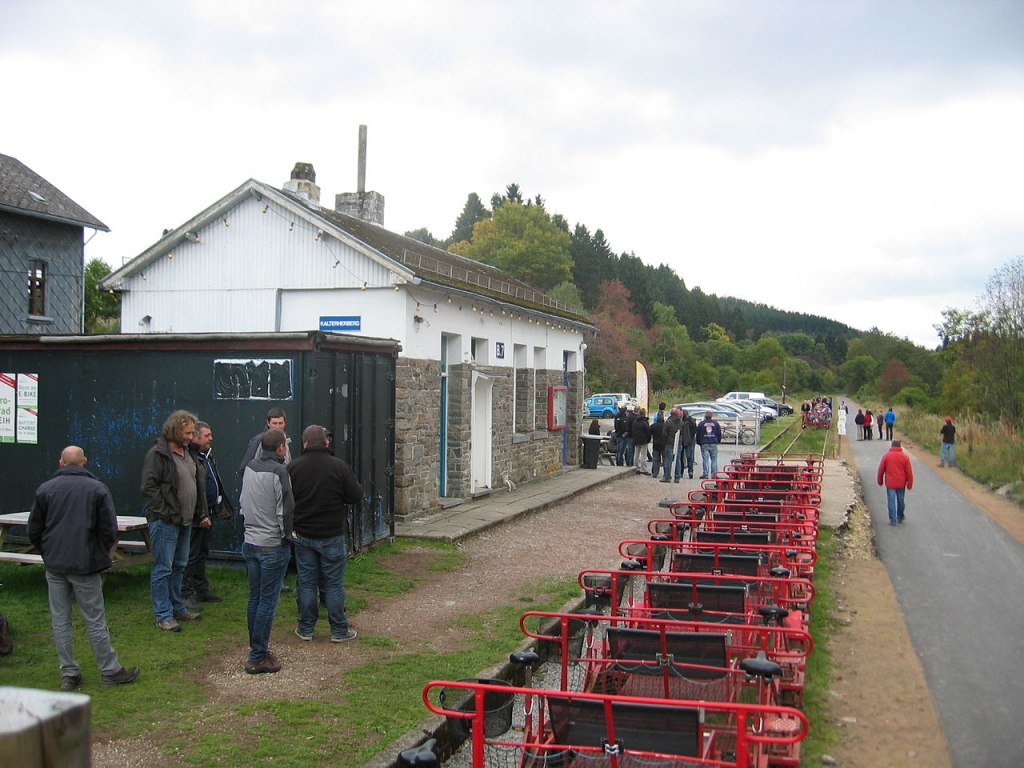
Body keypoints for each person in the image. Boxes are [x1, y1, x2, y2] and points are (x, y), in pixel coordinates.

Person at [28, 446, 140, 690]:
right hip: (85, 563)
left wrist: (48, 551)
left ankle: (69, 673)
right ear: (84, 462)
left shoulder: (45, 489)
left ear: (60, 463)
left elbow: (34, 529)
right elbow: (109, 529)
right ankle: (109, 670)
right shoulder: (97, 489)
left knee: (60, 619)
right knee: (94, 618)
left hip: (55, 563)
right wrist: (98, 553)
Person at [287, 425, 364, 643]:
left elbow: (285, 499)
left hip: (302, 533)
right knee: (333, 583)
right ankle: (339, 630)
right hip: (331, 533)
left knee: (307, 581)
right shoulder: (339, 467)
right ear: (326, 442)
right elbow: (355, 495)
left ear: (305, 443)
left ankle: (305, 628)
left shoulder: (293, 467)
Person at [143, 410, 209, 632]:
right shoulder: (158, 454)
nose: (191, 436)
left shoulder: (190, 453)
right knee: (163, 568)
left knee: (179, 566)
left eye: (193, 432)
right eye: (188, 432)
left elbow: (196, 483)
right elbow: (149, 487)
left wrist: (201, 512)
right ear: (175, 430)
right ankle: (163, 615)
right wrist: (166, 513)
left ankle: (177, 607)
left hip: (186, 521)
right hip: (166, 522)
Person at [240, 428, 294, 674]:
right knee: (267, 602)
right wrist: (286, 537)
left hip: (250, 541)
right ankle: (257, 654)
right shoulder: (279, 471)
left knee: (255, 597)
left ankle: (257, 648)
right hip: (271, 544)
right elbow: (286, 507)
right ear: (281, 447)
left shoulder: (250, 467)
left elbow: (244, 501)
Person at [183, 421, 235, 609]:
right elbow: (194, 489)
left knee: (202, 552)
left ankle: (201, 588)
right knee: (191, 554)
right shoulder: (191, 457)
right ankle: (187, 593)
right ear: (195, 437)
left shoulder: (207, 456)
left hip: (209, 512)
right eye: (207, 435)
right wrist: (200, 514)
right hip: (196, 516)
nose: (211, 438)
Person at [238, 407, 292, 477]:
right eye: (274, 423)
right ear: (268, 423)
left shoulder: (286, 440)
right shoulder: (258, 440)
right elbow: (244, 468)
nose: (278, 427)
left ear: (285, 423)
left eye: (280, 423)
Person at [877, 439, 914, 525]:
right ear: (900, 446)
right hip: (901, 483)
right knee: (901, 500)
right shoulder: (905, 457)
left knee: (891, 500)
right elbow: (909, 472)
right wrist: (910, 483)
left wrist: (880, 480)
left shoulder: (886, 456)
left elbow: (881, 469)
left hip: (890, 483)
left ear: (892, 446)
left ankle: (893, 519)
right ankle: (900, 516)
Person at [696, 410, 722, 479]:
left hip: (704, 442)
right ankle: (714, 474)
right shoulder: (716, 423)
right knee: (714, 459)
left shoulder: (701, 423)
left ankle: (705, 473)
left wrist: (699, 442)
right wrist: (718, 441)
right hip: (713, 442)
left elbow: (698, 434)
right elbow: (719, 433)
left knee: (705, 459)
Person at [675, 409, 697, 482]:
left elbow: (694, 430)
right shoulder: (679, 421)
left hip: (688, 441)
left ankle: (690, 471)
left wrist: (690, 438)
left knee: (689, 457)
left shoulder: (689, 421)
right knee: (680, 457)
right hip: (681, 441)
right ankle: (680, 472)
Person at [659, 407, 680, 483]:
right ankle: (677, 476)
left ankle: (667, 476)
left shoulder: (668, 422)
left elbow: (664, 433)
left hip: (669, 443)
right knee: (677, 460)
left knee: (668, 460)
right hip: (678, 443)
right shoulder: (680, 422)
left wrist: (664, 442)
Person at [631, 408, 651, 475]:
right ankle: (643, 469)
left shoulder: (635, 421)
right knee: (643, 455)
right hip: (644, 440)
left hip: (636, 439)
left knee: (636, 454)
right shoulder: (645, 422)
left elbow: (633, 430)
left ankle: (636, 467)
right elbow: (648, 432)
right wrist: (648, 439)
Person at [649, 413, 666, 479]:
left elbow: (648, 433)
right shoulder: (665, 426)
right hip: (664, 444)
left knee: (656, 460)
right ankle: (666, 473)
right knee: (665, 460)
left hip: (656, 444)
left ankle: (655, 473)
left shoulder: (654, 426)